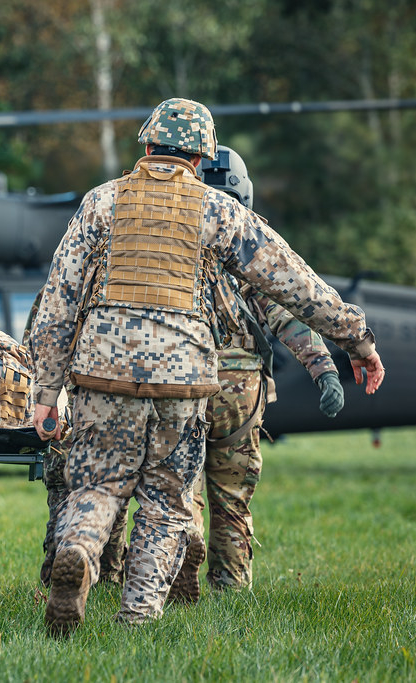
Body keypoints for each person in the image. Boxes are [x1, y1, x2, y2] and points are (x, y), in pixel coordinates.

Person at [28, 97, 385, 636]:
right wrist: (355, 338)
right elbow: (293, 281)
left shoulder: (101, 203)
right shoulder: (218, 210)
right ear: (201, 158)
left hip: (102, 372)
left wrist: (44, 391)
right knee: (167, 501)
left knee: (96, 486)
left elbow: (58, 300)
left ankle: (77, 548)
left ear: (146, 146)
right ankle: (136, 622)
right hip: (183, 376)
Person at [168, 145, 346, 604]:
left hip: (179, 381)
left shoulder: (169, 239)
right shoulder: (251, 244)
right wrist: (323, 368)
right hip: (239, 392)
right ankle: (229, 588)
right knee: (232, 496)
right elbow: (287, 311)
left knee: (177, 489)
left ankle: (174, 568)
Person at [22, 290, 129, 588]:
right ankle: (107, 577)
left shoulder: (57, 290)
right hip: (115, 416)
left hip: (66, 422)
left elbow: (33, 351)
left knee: (62, 499)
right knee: (112, 497)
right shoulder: (124, 284)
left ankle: (60, 570)